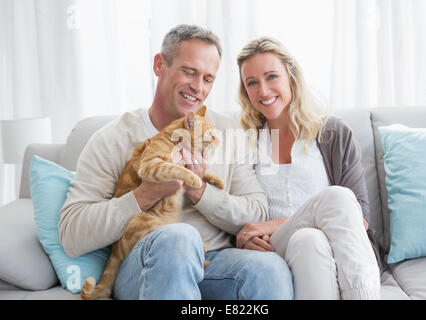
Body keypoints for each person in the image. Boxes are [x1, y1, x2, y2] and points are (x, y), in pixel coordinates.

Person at [58, 25, 293, 300]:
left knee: (270, 268)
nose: (198, 87)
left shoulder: (226, 132)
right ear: (159, 65)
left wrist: (198, 192)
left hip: (216, 261)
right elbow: (72, 234)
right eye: (190, 72)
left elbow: (257, 211)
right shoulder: (113, 138)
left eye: (208, 79)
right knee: (179, 238)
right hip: (145, 261)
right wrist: (147, 193)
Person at [235, 37, 381, 300]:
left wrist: (273, 224)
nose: (264, 91)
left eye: (271, 77)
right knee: (332, 201)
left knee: (309, 237)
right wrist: (243, 235)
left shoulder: (333, 133)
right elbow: (236, 211)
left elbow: (359, 219)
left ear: (291, 77)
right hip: (275, 248)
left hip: (329, 247)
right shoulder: (246, 140)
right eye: (252, 83)